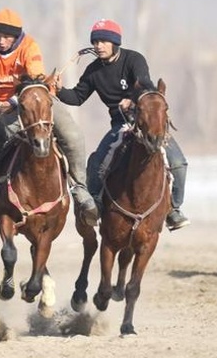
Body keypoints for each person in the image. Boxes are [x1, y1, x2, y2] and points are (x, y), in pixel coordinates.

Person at [0, 8, 99, 226]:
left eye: (7, 37)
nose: (2, 41)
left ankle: (79, 187)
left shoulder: (29, 46)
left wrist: (15, 100)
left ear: (16, 36)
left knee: (73, 134)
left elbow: (35, 76)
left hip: (34, 100)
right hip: (2, 108)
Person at [54, 19, 190, 231]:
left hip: (145, 120)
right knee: (97, 163)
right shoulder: (93, 70)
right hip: (121, 124)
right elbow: (77, 97)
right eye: (95, 41)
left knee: (179, 163)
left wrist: (132, 99)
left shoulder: (134, 59)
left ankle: (174, 209)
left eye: (104, 41)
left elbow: (144, 84)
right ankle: (96, 204)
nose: (98, 46)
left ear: (115, 43)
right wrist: (59, 90)